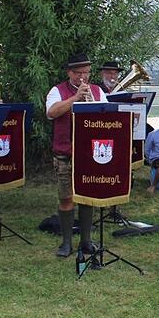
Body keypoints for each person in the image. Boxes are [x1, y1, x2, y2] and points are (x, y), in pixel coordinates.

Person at [46, 53, 107, 258]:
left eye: (86, 73)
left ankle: (86, 241)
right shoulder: (57, 91)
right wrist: (75, 98)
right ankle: (66, 243)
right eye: (79, 73)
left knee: (87, 197)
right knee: (66, 198)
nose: (83, 77)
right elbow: (52, 112)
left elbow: (107, 116)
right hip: (65, 152)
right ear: (69, 72)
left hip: (90, 153)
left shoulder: (98, 91)